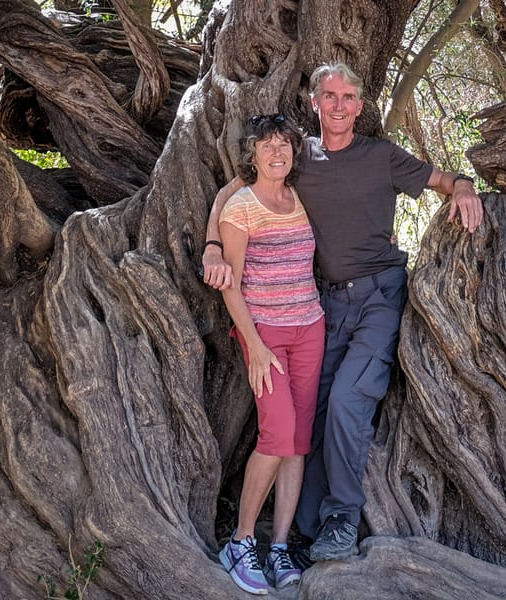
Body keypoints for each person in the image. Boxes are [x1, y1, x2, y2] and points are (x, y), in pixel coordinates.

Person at [206, 63, 483, 564]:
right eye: (328, 96)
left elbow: (443, 179)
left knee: (348, 401)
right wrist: (210, 248)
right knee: (307, 415)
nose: (338, 105)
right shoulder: (299, 156)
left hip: (379, 296)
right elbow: (232, 192)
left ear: (360, 105)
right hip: (325, 303)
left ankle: (341, 517)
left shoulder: (381, 156)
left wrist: (463, 185)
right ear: (314, 103)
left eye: (348, 97)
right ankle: (299, 531)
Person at [216, 113, 325, 595]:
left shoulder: (301, 197)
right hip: (265, 334)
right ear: (252, 154)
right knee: (277, 434)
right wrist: (254, 346)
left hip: (310, 329)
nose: (277, 152)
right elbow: (230, 286)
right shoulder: (241, 206)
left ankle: (278, 545)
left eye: (284, 144)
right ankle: (240, 541)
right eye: (267, 145)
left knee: (298, 442)